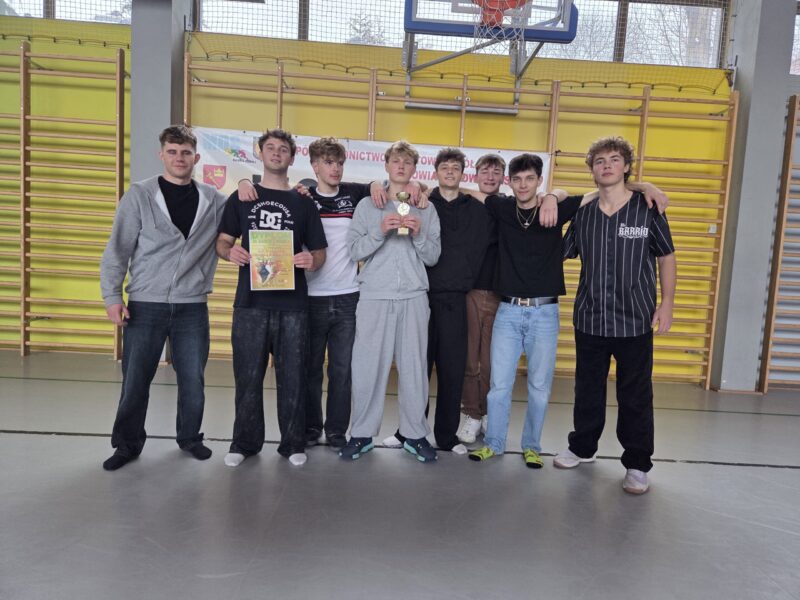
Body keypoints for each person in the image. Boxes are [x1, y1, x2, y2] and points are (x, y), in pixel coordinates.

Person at [236, 139, 428, 450]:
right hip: (310, 297)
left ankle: (337, 430)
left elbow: (394, 186)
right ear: (314, 166)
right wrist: (244, 181)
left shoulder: (355, 194)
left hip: (349, 296)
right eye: (327, 163)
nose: (335, 168)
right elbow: (270, 192)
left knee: (343, 371)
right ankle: (312, 428)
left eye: (339, 163)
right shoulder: (302, 196)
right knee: (310, 369)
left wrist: (415, 185)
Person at [99, 125, 226, 471]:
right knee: (135, 381)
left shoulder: (214, 201)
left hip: (192, 307)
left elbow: (244, 219)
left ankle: (190, 438)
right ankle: (126, 444)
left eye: (186, 152)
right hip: (145, 305)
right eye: (172, 152)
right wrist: (112, 296)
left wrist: (246, 183)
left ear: (196, 157)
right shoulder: (139, 195)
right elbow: (117, 250)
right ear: (162, 155)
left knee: (193, 381)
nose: (179, 158)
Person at [555, 136, 676, 495]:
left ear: (626, 167)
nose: (606, 165)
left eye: (614, 159)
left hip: (635, 320)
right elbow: (559, 251)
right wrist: (555, 197)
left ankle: (637, 463)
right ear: (592, 170)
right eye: (599, 161)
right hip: (590, 318)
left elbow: (666, 257)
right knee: (587, 390)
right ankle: (582, 447)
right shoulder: (583, 213)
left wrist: (667, 302)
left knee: (635, 396)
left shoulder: (648, 208)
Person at [216, 128, 327, 467]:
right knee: (247, 377)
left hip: (293, 306)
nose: (277, 153)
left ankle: (293, 444)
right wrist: (230, 252)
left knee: (293, 377)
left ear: (292, 157)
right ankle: (244, 443)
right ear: (260, 153)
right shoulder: (242, 197)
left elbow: (320, 253)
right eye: (271, 147)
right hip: (250, 304)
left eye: (283, 149)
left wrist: (311, 261)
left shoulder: (303, 202)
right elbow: (222, 241)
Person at [382, 148, 489, 455]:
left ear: (462, 174)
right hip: (421, 296)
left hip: (456, 299)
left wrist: (465, 277)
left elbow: (481, 247)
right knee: (416, 368)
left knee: (452, 369)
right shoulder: (421, 203)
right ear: (436, 172)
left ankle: (446, 436)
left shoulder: (475, 208)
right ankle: (408, 431)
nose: (450, 171)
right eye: (445, 167)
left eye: (456, 167)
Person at [340, 140, 441, 463]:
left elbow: (433, 256)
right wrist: (379, 231)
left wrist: (419, 235)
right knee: (367, 368)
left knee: (415, 369)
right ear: (386, 165)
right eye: (396, 161)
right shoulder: (368, 205)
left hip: (414, 296)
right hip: (374, 295)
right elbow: (354, 251)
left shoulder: (425, 207)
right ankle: (361, 434)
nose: (401, 166)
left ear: (414, 169)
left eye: (407, 162)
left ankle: (415, 435)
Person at [456, 154, 505, 444]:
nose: (490, 177)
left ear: (503, 178)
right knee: (469, 360)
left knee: (491, 362)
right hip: (471, 291)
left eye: (495, 172)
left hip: (501, 295)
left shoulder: (509, 206)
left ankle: (487, 412)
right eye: (484, 172)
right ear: (475, 176)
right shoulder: (466, 203)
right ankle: (471, 413)